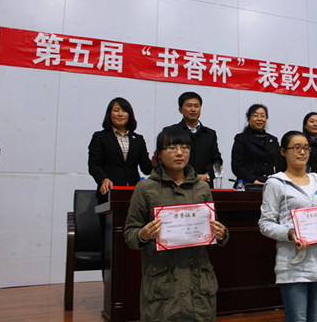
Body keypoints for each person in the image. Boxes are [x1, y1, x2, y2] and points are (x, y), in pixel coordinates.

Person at [124, 128, 229, 322]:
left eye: (184, 147)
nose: (179, 153)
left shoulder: (202, 187)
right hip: (162, 283)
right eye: (172, 148)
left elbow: (212, 227)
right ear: (159, 154)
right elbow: (130, 233)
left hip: (198, 283)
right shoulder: (145, 188)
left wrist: (221, 233)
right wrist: (143, 235)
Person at [259, 130, 317, 322]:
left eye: (306, 148)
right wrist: (290, 233)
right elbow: (265, 223)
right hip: (293, 264)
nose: (302, 152)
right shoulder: (275, 183)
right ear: (283, 152)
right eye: (296, 148)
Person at [88, 97, 152, 204]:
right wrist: (103, 179)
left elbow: (146, 168)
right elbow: (94, 165)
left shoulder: (138, 139)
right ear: (110, 114)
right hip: (109, 192)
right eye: (116, 110)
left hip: (134, 194)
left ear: (129, 115)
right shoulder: (100, 137)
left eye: (124, 111)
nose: (120, 114)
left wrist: (157, 160)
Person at [164, 92, 223, 187]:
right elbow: (167, 159)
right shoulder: (171, 132)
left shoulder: (210, 134)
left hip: (203, 184)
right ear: (180, 110)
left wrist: (207, 175)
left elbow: (217, 160)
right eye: (189, 106)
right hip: (177, 184)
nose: (193, 109)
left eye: (196, 106)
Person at [231, 104, 280, 185]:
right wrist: (253, 180)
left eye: (262, 116)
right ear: (248, 119)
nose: (259, 119)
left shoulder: (273, 140)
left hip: (269, 184)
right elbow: (236, 166)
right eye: (255, 116)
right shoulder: (241, 138)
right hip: (247, 184)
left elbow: (279, 164)